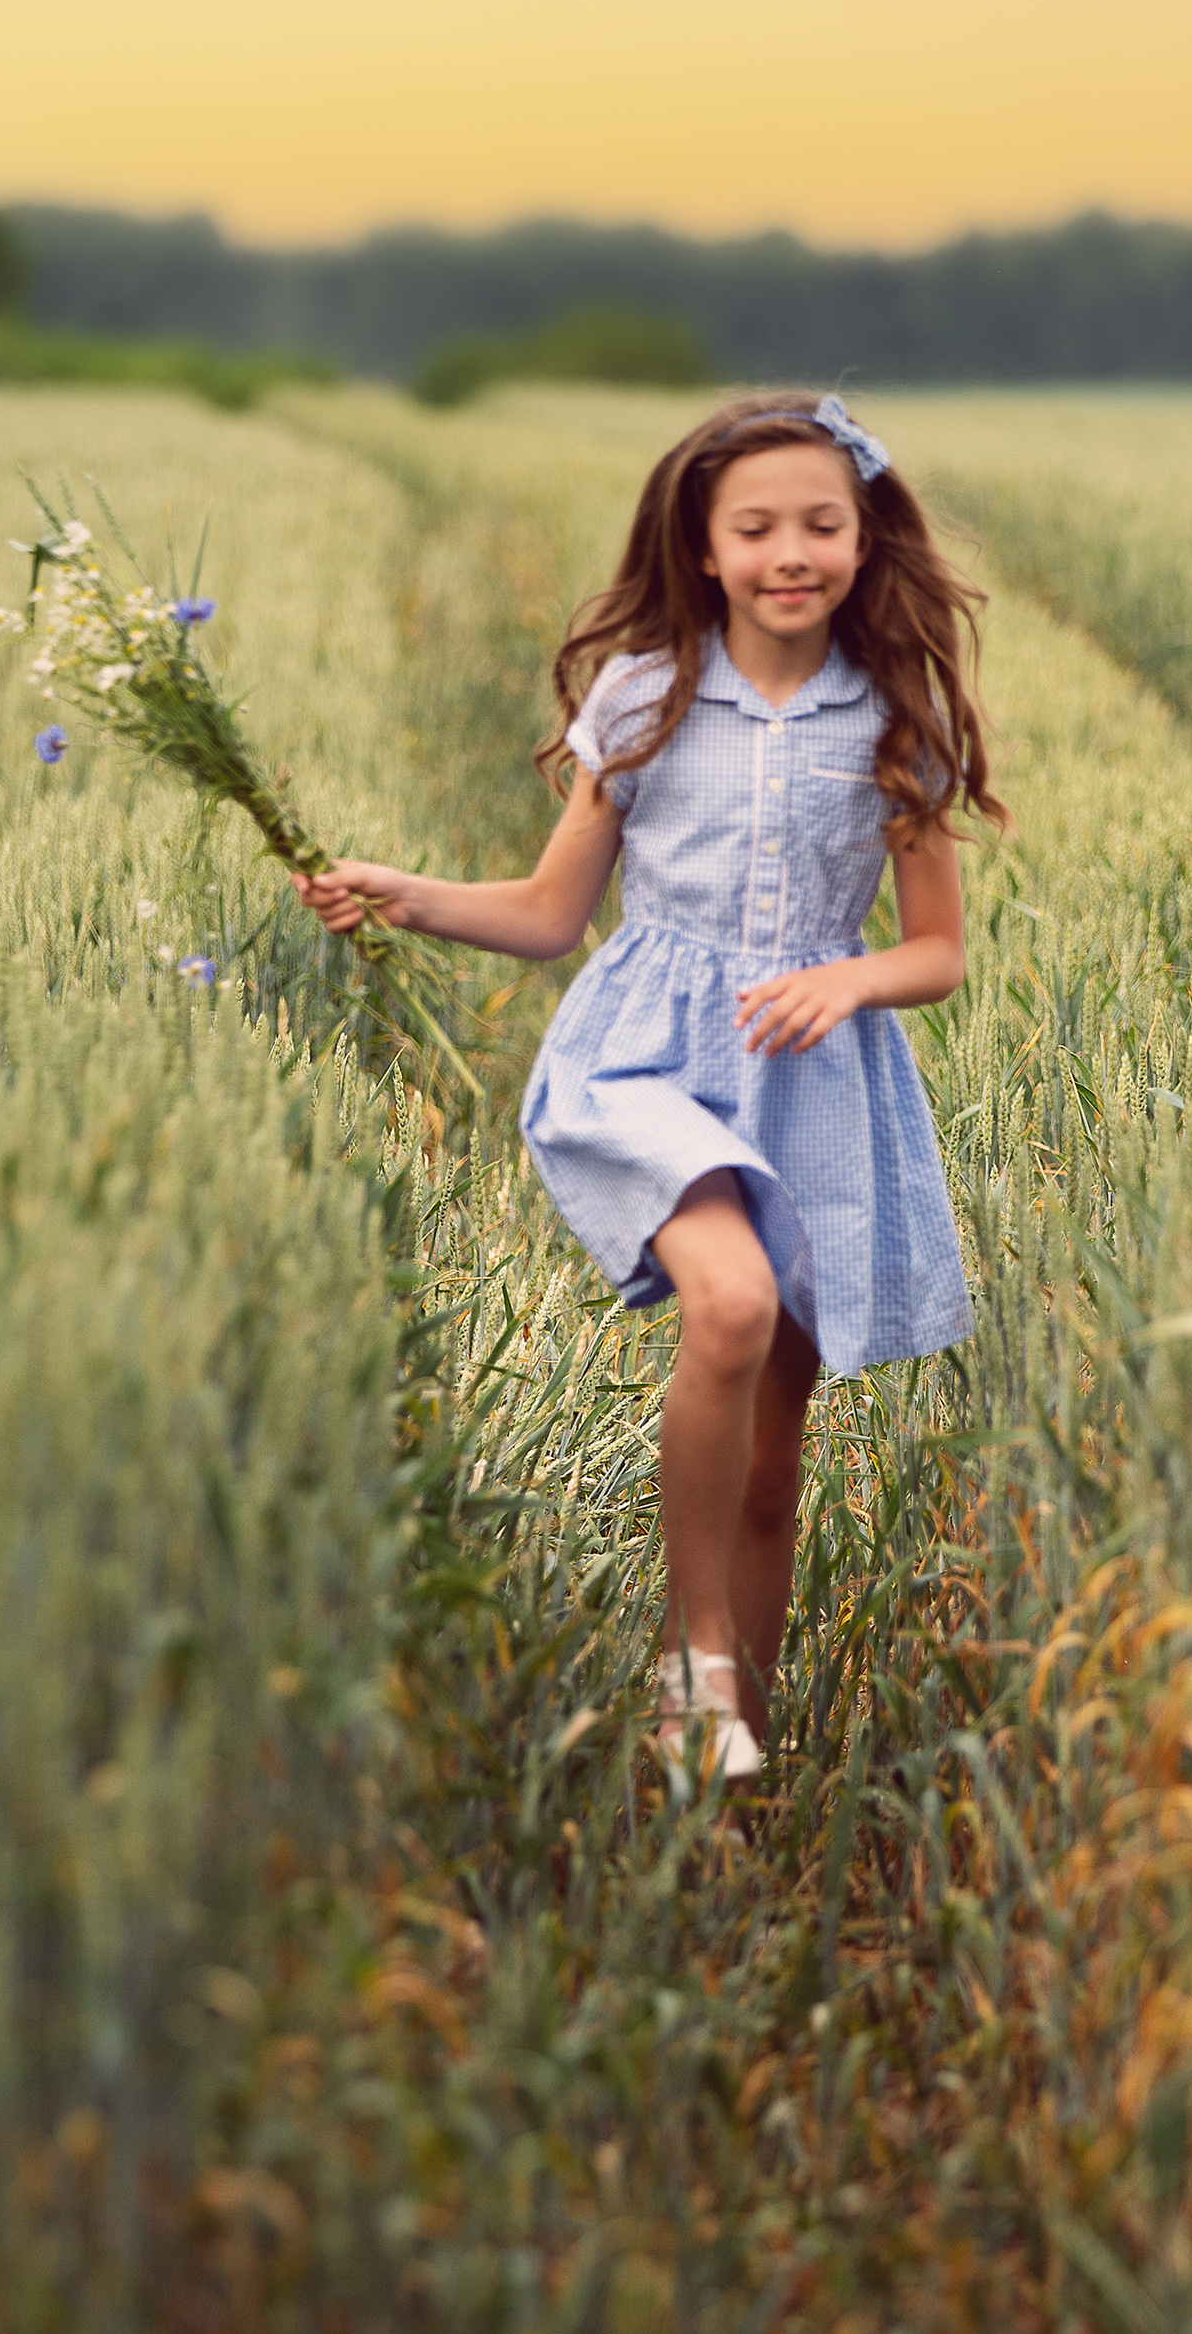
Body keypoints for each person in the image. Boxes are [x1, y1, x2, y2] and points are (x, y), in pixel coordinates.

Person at [299, 389, 1007, 1785]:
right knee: (729, 1306)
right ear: (703, 547)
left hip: (814, 1075)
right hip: (645, 1060)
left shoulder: (895, 722)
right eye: (756, 527)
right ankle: (696, 1667)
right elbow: (555, 914)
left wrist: (846, 980)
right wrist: (408, 896)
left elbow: (936, 954)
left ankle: (735, 1762)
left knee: (771, 1451)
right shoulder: (643, 693)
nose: (790, 551)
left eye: (822, 523)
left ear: (865, 544)